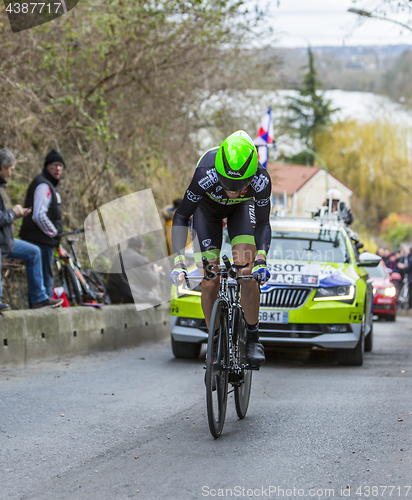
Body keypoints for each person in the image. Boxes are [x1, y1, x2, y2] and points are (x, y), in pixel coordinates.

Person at [169, 130, 272, 367]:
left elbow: (264, 224)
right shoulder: (205, 171)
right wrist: (179, 262)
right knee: (209, 280)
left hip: (242, 211)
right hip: (207, 212)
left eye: (239, 184)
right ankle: (214, 340)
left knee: (246, 273)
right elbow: (182, 215)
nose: (232, 190)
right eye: (227, 182)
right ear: (219, 171)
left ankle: (254, 337)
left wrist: (262, 259)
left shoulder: (261, 178)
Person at [0, 149, 63, 310]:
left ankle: (39, 299)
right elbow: (38, 215)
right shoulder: (43, 184)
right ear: (2, 167)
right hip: (32, 238)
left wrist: (15, 215)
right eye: (10, 169)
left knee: (34, 252)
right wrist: (13, 213)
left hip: (7, 240)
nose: (11, 174)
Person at [19, 149, 65, 298]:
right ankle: (43, 310)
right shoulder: (43, 185)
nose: (58, 169)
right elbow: (38, 215)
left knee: (44, 279)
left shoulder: (49, 185)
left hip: (44, 240)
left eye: (61, 166)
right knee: (44, 280)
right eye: (54, 165)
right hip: (40, 240)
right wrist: (54, 233)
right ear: (47, 166)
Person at [106, 236, 163, 305]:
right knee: (157, 300)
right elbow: (152, 281)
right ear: (141, 247)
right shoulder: (139, 259)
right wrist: (156, 272)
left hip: (113, 296)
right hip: (130, 296)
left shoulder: (118, 256)